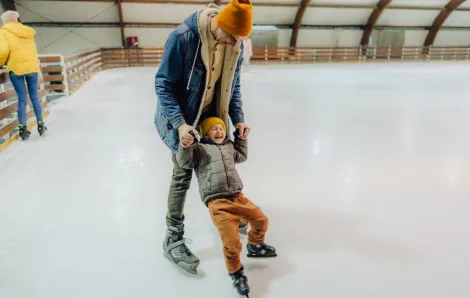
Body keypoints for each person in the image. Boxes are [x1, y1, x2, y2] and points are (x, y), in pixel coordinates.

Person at [154, 0, 252, 274]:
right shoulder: (183, 38)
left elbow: (233, 87)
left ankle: (227, 212)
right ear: (220, 24)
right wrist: (180, 125)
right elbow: (163, 85)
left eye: (240, 41)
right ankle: (172, 237)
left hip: (212, 113)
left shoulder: (235, 42)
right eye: (233, 39)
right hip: (183, 118)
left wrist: (239, 118)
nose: (236, 45)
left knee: (221, 164)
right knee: (182, 173)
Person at [176, 117, 276, 297]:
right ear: (205, 132)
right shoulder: (199, 149)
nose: (219, 132)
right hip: (219, 204)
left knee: (261, 219)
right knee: (232, 243)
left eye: (221, 128)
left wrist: (241, 139)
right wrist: (186, 146)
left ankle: (254, 245)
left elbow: (242, 156)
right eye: (214, 129)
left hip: (238, 198)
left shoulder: (229, 146)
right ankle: (236, 273)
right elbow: (185, 162)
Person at [0, 10, 47, 140]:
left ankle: (23, 128)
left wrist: (1, 63)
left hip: (16, 68)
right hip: (32, 67)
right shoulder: (27, 31)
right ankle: (40, 124)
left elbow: (3, 51)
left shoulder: (3, 31)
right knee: (35, 97)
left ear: (5, 21)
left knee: (22, 98)